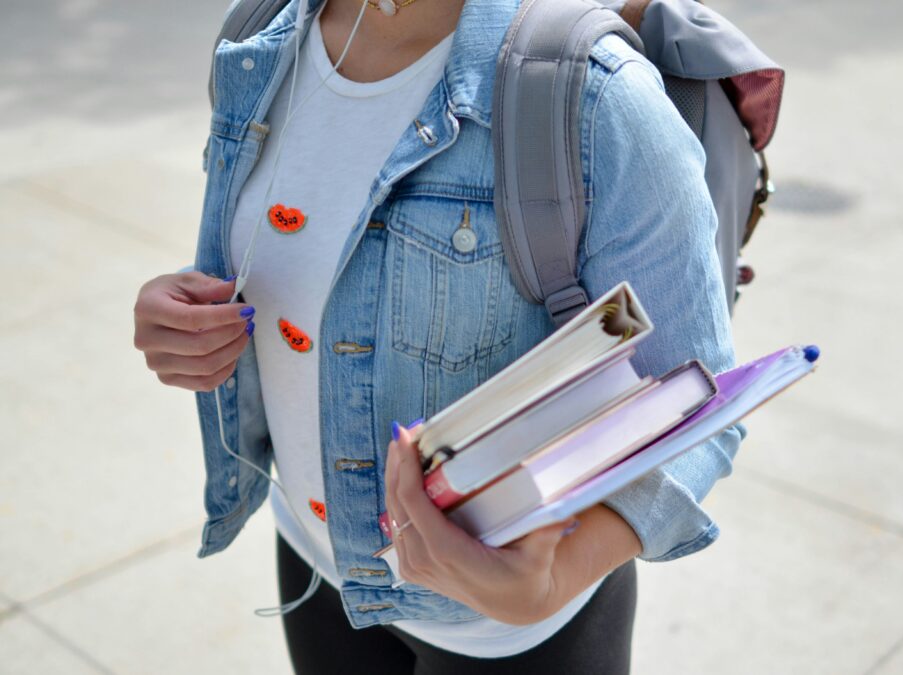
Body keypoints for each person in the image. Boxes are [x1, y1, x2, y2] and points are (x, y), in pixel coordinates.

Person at [132, 0, 742, 671]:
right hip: (312, 564)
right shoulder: (259, 36)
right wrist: (188, 313)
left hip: (514, 638)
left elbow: (695, 395)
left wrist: (554, 579)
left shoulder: (595, 95)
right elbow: (299, 258)